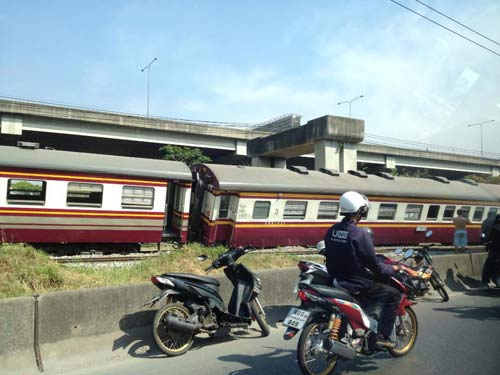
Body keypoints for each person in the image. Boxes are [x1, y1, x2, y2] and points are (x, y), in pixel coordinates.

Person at [324, 191, 417, 350]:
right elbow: (376, 266)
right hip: (357, 284)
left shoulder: (332, 230)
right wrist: (396, 267)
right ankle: (382, 337)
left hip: (336, 280)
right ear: (360, 211)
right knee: (394, 295)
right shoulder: (359, 233)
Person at [482, 214, 500, 287]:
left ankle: (487, 280)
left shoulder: (494, 225)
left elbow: (488, 237)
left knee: (489, 263)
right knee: (490, 263)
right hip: (495, 248)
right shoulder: (496, 227)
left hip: (494, 247)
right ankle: (488, 280)